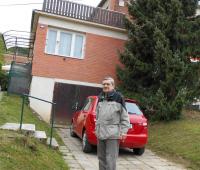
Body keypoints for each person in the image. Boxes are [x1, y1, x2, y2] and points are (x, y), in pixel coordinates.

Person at [96, 76, 130, 170]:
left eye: (108, 84)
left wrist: (123, 132)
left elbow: (125, 117)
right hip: (100, 133)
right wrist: (96, 129)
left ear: (113, 85)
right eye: (104, 84)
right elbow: (98, 116)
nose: (105, 86)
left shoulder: (118, 97)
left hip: (112, 135)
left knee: (110, 159)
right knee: (101, 158)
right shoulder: (100, 97)